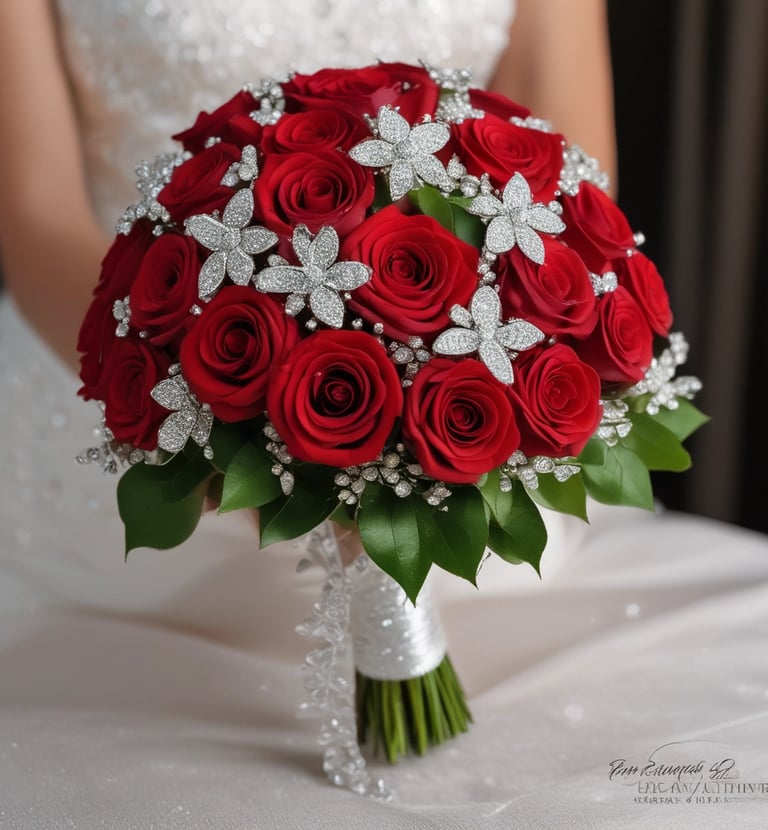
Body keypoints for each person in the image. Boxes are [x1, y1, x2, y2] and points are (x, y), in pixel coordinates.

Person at [1, 2, 767, 828]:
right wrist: (237, 417)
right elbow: (36, 217)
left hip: (474, 492)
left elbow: (569, 176)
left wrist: (418, 419)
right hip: (156, 486)